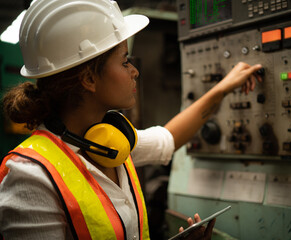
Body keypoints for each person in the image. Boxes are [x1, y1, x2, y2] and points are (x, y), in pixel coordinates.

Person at [0, 0, 262, 239]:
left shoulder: (111, 142)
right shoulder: (30, 177)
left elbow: (168, 139)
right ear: (89, 78)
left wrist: (224, 88)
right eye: (124, 61)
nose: (134, 71)